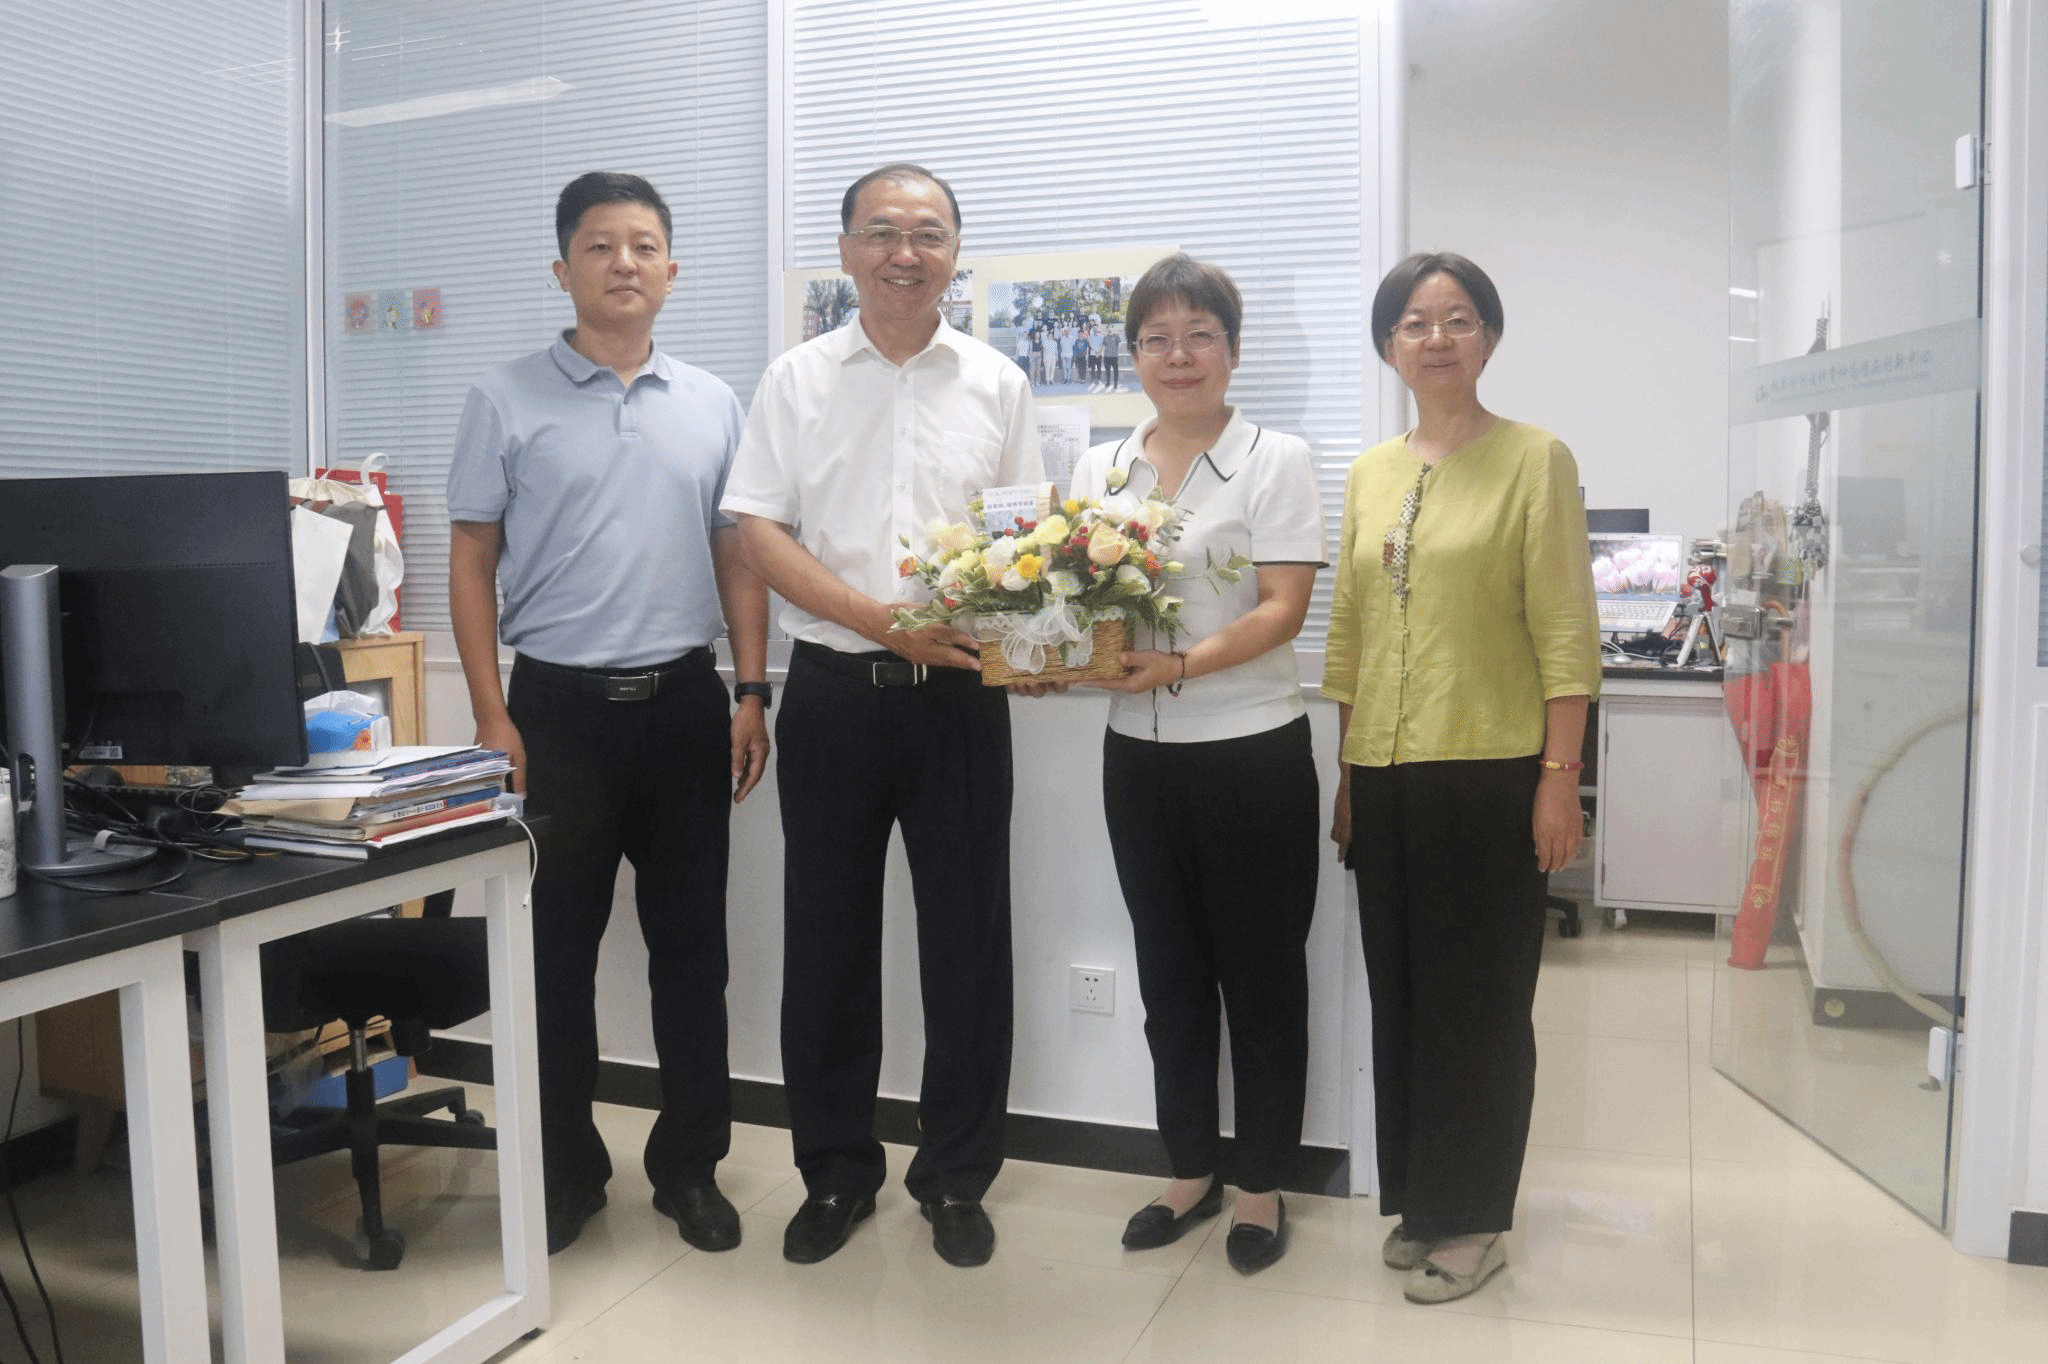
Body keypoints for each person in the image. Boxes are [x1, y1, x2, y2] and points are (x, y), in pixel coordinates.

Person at [722, 162, 1042, 1269]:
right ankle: (834, 1171)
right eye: (883, 232)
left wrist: (1028, 643)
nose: (906, 252)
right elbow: (758, 531)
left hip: (958, 698)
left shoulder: (998, 383)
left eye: (929, 233)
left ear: (956, 253)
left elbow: (1023, 541)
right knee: (825, 944)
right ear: (847, 250)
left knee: (968, 946)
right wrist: (874, 618)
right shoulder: (795, 379)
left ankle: (955, 1177)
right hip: (832, 694)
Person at [446, 171, 772, 1257]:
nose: (622, 263)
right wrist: (491, 713)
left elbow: (738, 555)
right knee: (553, 957)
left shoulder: (713, 401)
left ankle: (690, 1168)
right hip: (556, 715)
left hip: (684, 706)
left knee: (693, 956)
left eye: (642, 245)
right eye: (599, 245)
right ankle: (564, 1172)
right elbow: (471, 557)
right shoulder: (502, 397)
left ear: (671, 270)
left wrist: (750, 690)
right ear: (562, 269)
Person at [1323, 252, 1600, 1304]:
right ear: (1386, 343)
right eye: (1412, 320)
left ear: (1488, 336)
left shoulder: (1535, 459)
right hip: (1386, 772)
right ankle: (1424, 1199)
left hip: (1490, 769)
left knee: (1480, 1004)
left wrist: (1558, 777)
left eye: (1456, 318)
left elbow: (1565, 630)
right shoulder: (1369, 473)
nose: (1434, 337)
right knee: (1401, 993)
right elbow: (1348, 635)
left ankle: (1475, 1217)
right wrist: (1349, 772)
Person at [1070, 254, 1324, 1276]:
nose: (1178, 356)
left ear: (1232, 348)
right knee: (1168, 974)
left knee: (1260, 979)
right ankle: (1189, 1169)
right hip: (1136, 759)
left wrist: (1178, 665)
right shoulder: (1098, 468)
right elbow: (1079, 606)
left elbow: (1282, 608)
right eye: (1156, 338)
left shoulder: (1276, 458)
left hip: (1252, 752)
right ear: (1132, 353)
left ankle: (1260, 1182)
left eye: (1199, 335)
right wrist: (1051, 659)